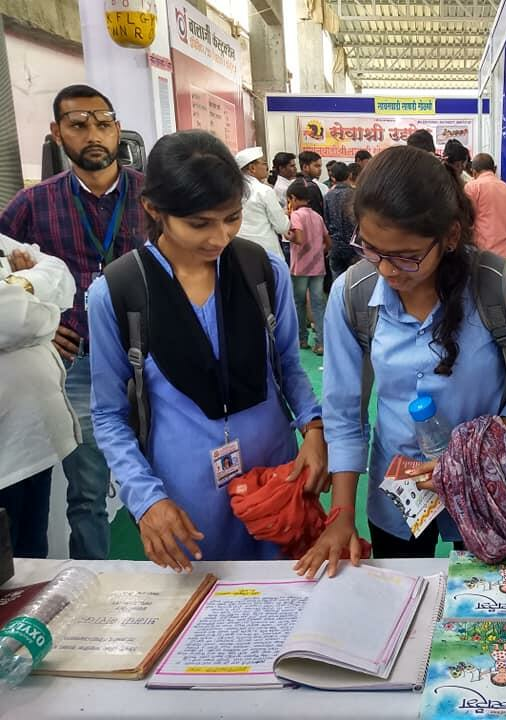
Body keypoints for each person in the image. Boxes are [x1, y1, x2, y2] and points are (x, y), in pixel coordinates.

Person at [294, 146, 506, 576]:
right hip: (397, 491)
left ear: (450, 236)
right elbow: (344, 412)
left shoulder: (501, 288)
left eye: (406, 255)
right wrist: (341, 514)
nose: (387, 270)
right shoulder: (353, 293)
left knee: (484, 601)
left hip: (484, 488)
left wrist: (472, 452)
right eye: (371, 249)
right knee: (398, 593)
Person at [88, 130, 327, 569]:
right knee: (201, 599)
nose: (220, 237)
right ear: (154, 209)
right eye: (200, 224)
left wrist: (314, 428)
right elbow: (108, 414)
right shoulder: (120, 292)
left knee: (285, 589)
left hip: (275, 480)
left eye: (231, 217)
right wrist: (146, 499)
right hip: (185, 498)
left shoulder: (262, 270)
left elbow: (289, 365)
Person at [0, 84, 146, 560]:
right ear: (57, 132)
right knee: (86, 492)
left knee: (171, 472)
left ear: (117, 129)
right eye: (78, 125)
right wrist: (44, 326)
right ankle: (92, 583)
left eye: (103, 124)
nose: (93, 135)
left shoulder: (151, 196)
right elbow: (6, 277)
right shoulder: (32, 204)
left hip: (152, 357)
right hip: (80, 361)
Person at [0, 234, 80, 558]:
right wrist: (50, 316)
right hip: (5, 456)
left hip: (33, 443)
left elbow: (62, 274)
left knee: (33, 561)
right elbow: (8, 319)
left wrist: (23, 283)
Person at [286, 179, 330, 355]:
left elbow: (299, 238)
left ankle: (301, 339)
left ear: (293, 198)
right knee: (318, 304)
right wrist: (319, 251)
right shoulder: (317, 216)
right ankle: (321, 343)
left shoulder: (296, 215)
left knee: (299, 303)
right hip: (318, 267)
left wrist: (287, 235)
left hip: (300, 267)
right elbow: (328, 241)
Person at [235, 146, 290, 258]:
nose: (267, 167)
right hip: (266, 251)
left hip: (240, 251)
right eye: (264, 163)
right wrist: (285, 215)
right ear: (252, 168)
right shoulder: (264, 191)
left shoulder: (233, 191)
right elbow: (281, 227)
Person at [465, 153, 506, 259]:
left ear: (474, 172)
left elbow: (467, 221)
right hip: (504, 255)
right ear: (494, 169)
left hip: (480, 255)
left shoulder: (472, 187)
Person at [324, 161, 358, 279]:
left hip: (335, 245)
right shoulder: (354, 194)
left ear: (333, 177)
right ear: (349, 175)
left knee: (337, 281)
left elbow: (326, 220)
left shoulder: (328, 196)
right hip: (353, 246)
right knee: (353, 280)